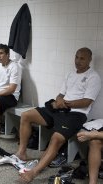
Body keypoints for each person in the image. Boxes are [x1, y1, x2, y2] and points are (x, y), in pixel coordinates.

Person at [10, 47, 101, 183]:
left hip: (76, 114)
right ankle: (22, 152)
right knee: (26, 115)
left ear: (89, 60)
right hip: (60, 109)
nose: (78, 61)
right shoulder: (70, 74)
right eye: (76, 57)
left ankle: (33, 173)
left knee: (56, 139)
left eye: (82, 58)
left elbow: (87, 101)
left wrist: (66, 104)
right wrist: (59, 101)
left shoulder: (94, 77)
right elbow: (61, 94)